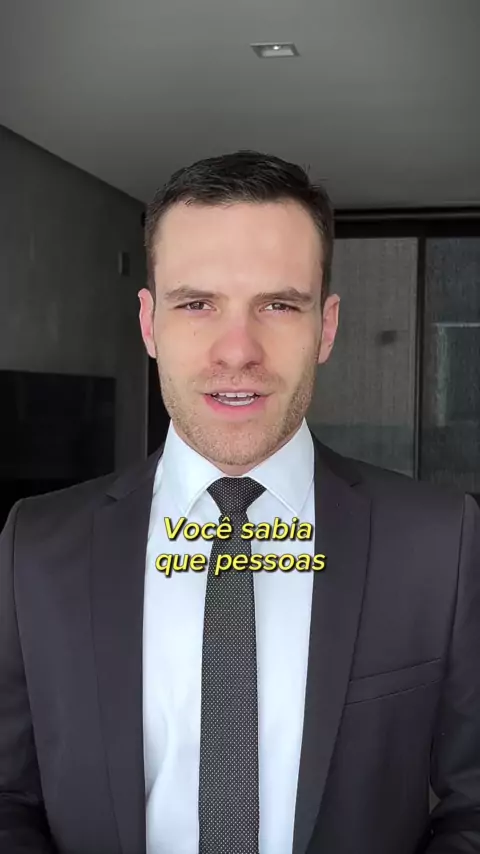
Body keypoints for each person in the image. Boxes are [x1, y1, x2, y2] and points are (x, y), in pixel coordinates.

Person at [1, 149, 480, 854]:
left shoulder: (441, 542)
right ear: (149, 323)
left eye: (278, 305)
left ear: (326, 327)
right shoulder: (36, 547)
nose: (237, 351)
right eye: (197, 304)